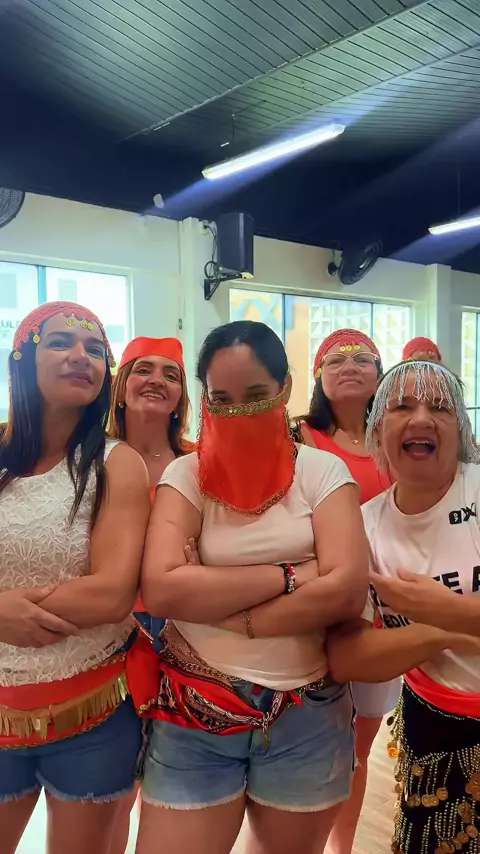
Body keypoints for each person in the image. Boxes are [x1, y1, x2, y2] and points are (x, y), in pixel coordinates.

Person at [131, 319, 369, 854]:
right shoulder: (186, 477)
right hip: (194, 713)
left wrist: (216, 599)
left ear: (285, 388)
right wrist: (292, 573)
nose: (238, 412)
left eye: (257, 395)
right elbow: (163, 590)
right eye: (222, 399)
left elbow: (346, 591)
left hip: (308, 714)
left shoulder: (322, 472)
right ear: (205, 399)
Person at [0, 302, 150, 854]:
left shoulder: (118, 462)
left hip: (93, 708)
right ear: (23, 357)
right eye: (61, 342)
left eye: (95, 350)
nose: (81, 356)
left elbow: (112, 593)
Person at [327, 359, 480, 854]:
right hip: (432, 728)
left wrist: (447, 612)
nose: (421, 419)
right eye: (402, 407)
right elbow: (346, 656)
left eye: (440, 408)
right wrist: (443, 631)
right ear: (377, 430)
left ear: (462, 429)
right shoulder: (364, 526)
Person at [295, 328, 398, 854]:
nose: (350, 366)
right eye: (336, 359)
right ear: (318, 375)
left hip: (388, 613)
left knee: (360, 745)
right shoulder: (298, 437)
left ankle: (345, 847)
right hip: (321, 610)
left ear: (379, 375)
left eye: (363, 359)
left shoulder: (395, 438)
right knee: (319, 748)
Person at [107, 335, 193, 854]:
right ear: (121, 387)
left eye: (171, 374)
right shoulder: (89, 459)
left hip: (187, 634)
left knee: (171, 784)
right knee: (115, 787)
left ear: (181, 397)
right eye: (143, 370)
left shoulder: (199, 462)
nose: (157, 380)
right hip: (112, 634)